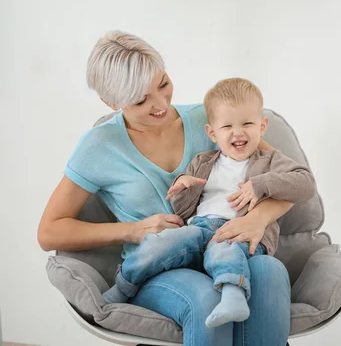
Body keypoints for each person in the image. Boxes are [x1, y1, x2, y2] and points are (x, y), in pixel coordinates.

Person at [37, 31, 294, 346]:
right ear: (111, 101)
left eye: (163, 84)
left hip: (228, 247)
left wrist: (258, 219)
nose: (160, 105)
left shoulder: (210, 120)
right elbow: (50, 232)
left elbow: (289, 178)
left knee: (270, 271)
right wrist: (134, 231)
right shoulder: (98, 146)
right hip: (158, 268)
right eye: (140, 99)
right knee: (206, 299)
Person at [102, 78, 316, 329]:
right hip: (198, 228)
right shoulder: (204, 162)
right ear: (212, 133)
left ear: (263, 126)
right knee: (163, 242)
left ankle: (233, 295)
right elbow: (181, 212)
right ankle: (124, 284)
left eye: (247, 123)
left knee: (224, 244)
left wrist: (261, 185)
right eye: (227, 126)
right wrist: (183, 188)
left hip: (238, 234)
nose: (238, 132)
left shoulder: (270, 161)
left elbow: (305, 184)